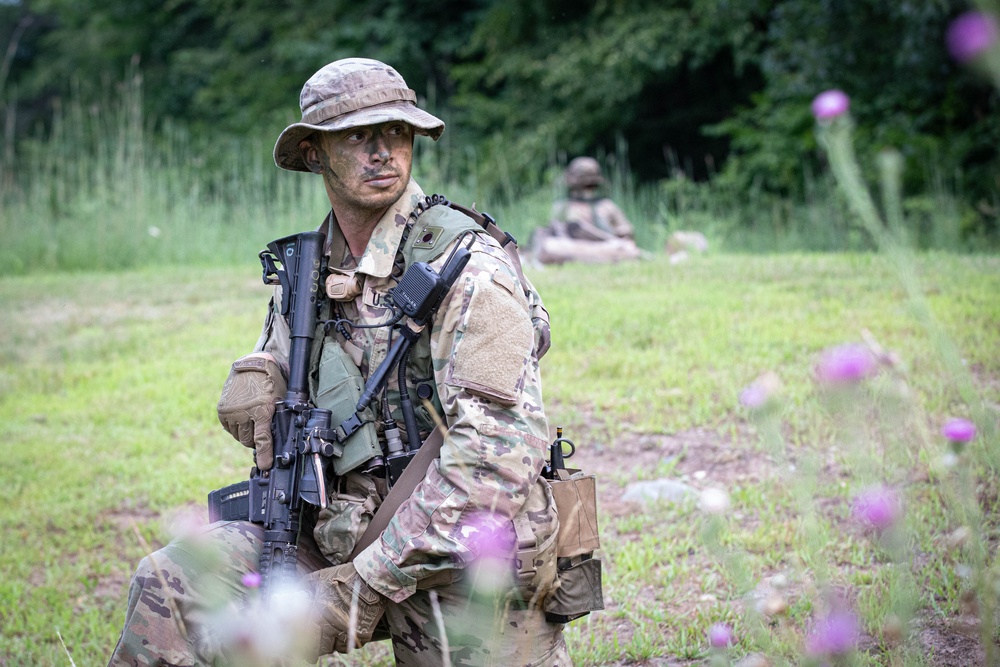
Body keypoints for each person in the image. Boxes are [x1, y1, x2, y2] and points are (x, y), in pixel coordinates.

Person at [108, 57, 570, 666]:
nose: (383, 152)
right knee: (173, 581)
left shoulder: (466, 265)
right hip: (333, 532)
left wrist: (365, 582)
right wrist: (257, 374)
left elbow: (495, 463)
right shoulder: (309, 270)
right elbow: (284, 365)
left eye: (398, 133)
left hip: (460, 554)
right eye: (358, 136)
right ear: (314, 154)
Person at [531, 157, 642, 265]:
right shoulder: (562, 207)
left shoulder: (605, 206)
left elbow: (625, 233)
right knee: (551, 245)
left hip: (601, 247)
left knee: (625, 247)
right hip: (571, 248)